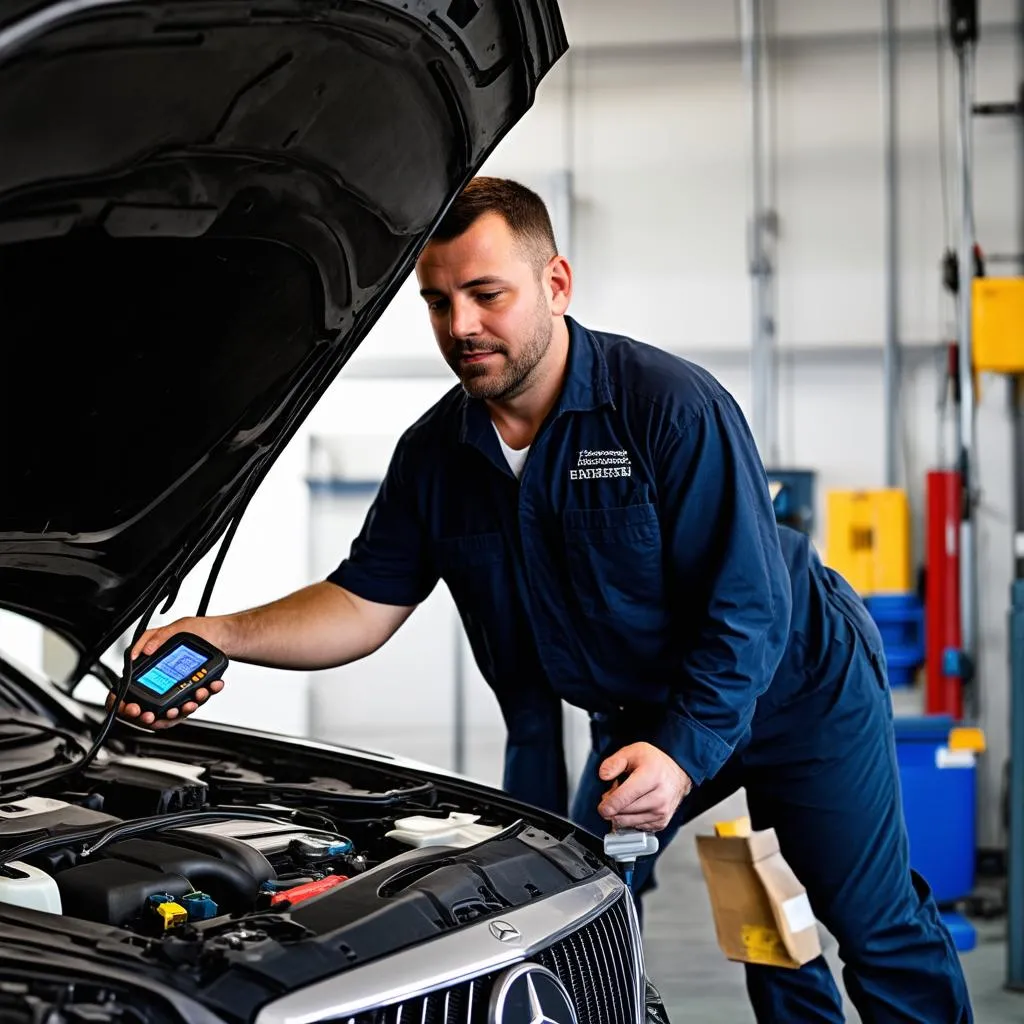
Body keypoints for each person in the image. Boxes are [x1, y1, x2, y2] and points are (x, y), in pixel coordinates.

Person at [115, 177, 972, 1022]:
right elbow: (360, 603)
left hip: (798, 685)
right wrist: (221, 631)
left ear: (555, 284)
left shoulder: (668, 408)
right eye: (438, 301)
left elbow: (747, 608)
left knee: (872, 921)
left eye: (487, 294)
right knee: (573, 898)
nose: (462, 326)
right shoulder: (436, 456)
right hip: (639, 707)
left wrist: (680, 755)